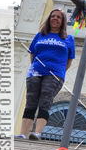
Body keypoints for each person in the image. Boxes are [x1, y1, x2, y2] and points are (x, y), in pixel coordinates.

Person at [16, 8, 75, 140]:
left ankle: (37, 132)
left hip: (54, 75)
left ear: (63, 21)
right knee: (30, 102)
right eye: (53, 16)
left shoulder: (68, 39)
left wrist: (58, 72)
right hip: (35, 72)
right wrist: (36, 68)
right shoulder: (40, 35)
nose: (55, 19)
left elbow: (69, 60)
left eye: (59, 17)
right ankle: (23, 133)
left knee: (45, 101)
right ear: (49, 19)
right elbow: (33, 54)